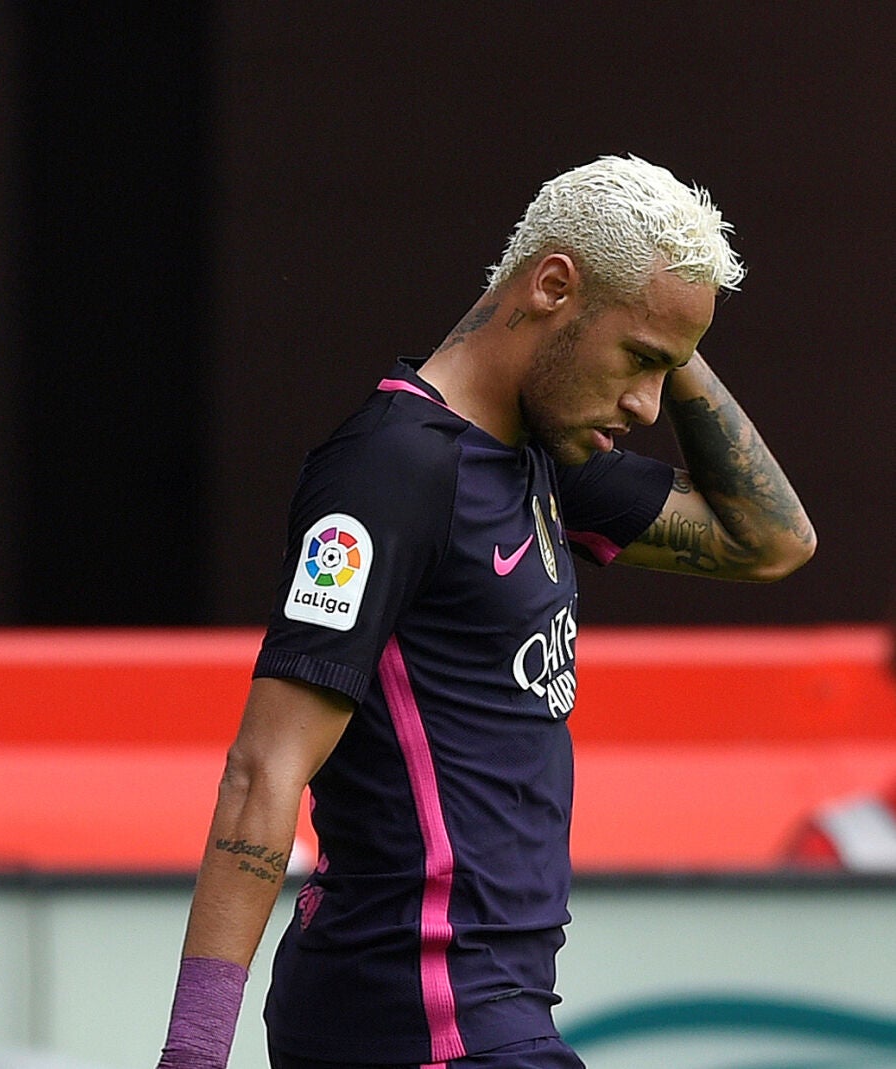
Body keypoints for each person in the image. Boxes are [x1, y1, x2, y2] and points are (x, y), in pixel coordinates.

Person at [155, 156, 816, 1069]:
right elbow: (261, 768)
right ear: (552, 284)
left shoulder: (546, 460)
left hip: (478, 1014)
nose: (646, 403)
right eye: (638, 359)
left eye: (667, 369)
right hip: (419, 1011)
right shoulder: (394, 469)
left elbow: (772, 540)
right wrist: (192, 1054)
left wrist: (666, 315)